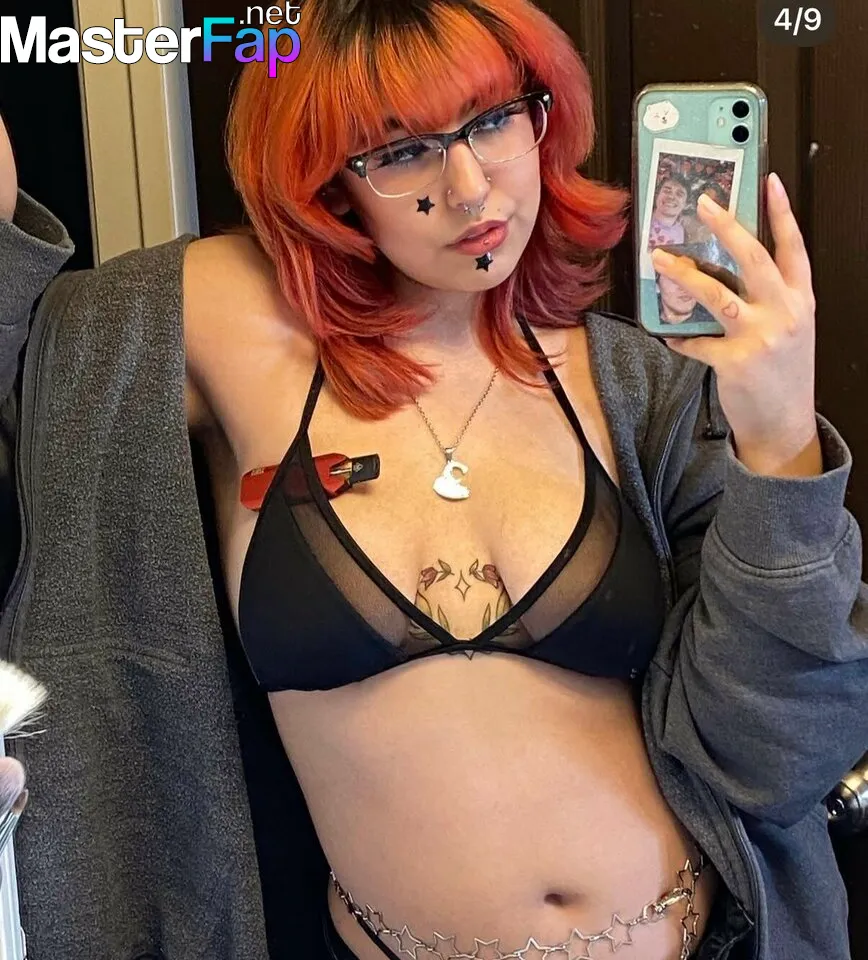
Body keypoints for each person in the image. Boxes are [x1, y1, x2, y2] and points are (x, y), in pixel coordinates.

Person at [0, 1, 865, 959]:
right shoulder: (223, 322)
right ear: (328, 183)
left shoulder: (643, 390)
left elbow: (773, 762)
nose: (468, 186)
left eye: (493, 121)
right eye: (400, 150)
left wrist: (780, 443)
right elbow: (24, 381)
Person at [648, 173, 690, 248]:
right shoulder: (640, 219)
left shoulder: (683, 235)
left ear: (686, 204)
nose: (671, 196)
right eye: (667, 191)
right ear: (657, 195)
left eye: (679, 194)